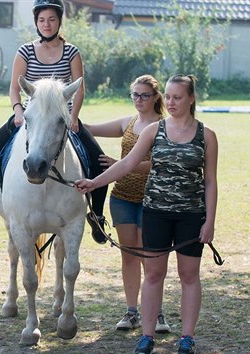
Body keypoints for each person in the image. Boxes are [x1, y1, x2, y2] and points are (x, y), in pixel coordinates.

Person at [75, 74, 218, 354]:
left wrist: (209, 221)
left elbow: (210, 181)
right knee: (153, 274)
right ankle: (147, 336)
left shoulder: (207, 135)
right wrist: (94, 183)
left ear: (191, 99)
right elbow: (128, 164)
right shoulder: (154, 130)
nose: (172, 101)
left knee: (189, 275)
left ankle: (187, 337)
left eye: (178, 97)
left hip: (191, 214)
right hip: (156, 213)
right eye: (170, 96)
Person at [0, 0, 109, 244]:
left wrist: (73, 117)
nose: (46, 24)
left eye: (51, 19)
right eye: (42, 20)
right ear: (36, 22)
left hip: (62, 117)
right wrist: (18, 111)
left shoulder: (72, 52)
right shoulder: (25, 51)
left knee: (99, 160)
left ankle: (96, 214)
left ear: (59, 21)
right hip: (30, 115)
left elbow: (80, 88)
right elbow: (14, 88)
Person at [84, 75, 171, 333]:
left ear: (156, 97)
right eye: (135, 95)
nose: (139, 100)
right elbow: (89, 128)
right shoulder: (128, 122)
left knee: (149, 258)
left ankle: (156, 314)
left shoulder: (165, 126)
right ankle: (132, 312)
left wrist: (119, 165)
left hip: (151, 200)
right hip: (122, 198)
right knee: (129, 256)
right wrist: (67, 115)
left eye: (144, 95)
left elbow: (160, 163)